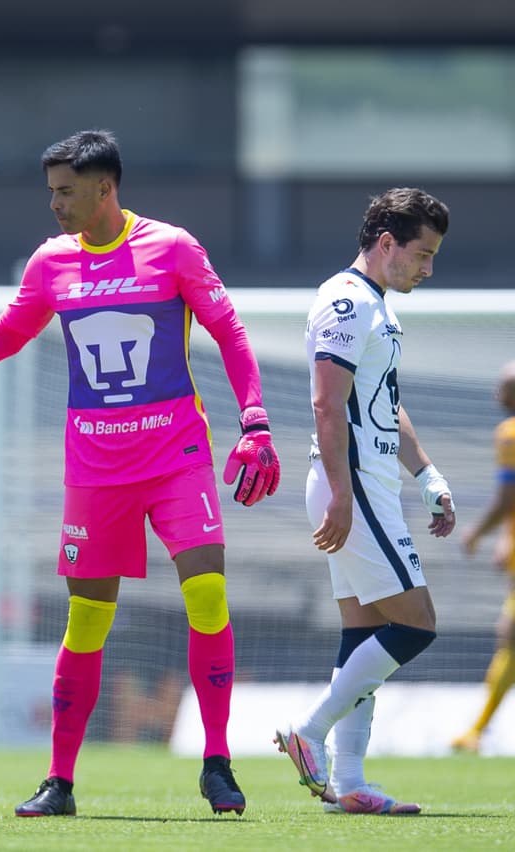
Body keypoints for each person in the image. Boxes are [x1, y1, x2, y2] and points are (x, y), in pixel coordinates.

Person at [0, 129, 281, 817]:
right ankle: (59, 781)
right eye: (51, 193)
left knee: (207, 596)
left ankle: (217, 762)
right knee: (86, 623)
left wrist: (256, 420)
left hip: (175, 455)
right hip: (95, 467)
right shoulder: (50, 262)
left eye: (66, 192)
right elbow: (5, 335)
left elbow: (230, 331)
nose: (56, 205)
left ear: (105, 188)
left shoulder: (172, 247)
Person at [275, 187, 454, 815]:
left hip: (366, 481)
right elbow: (326, 403)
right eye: (422, 254)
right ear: (386, 244)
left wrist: (428, 475)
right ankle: (309, 731)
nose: (428, 269)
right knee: (418, 622)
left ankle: (348, 783)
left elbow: (379, 402)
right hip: (352, 482)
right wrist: (344, 495)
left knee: (367, 630)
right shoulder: (350, 302)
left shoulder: (377, 305)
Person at [452, 361, 515, 753]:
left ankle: (477, 731)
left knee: (509, 637)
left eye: (503, 385)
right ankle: (477, 730)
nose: (496, 393)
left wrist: (476, 533)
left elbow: (507, 499)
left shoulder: (509, 434)